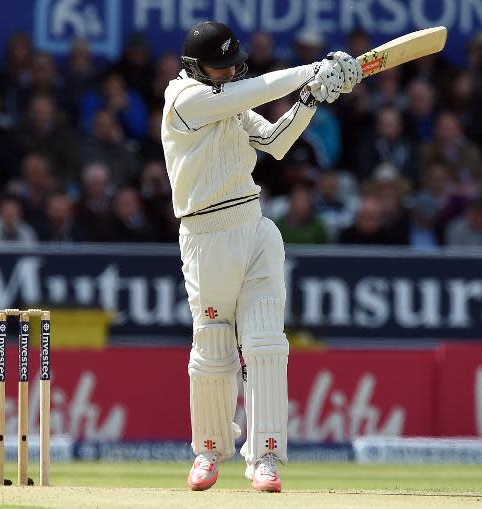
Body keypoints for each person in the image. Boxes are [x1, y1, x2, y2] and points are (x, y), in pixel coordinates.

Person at [162, 21, 360, 492]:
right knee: (213, 347)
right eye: (220, 68)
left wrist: (310, 99)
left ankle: (265, 457)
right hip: (206, 236)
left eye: (234, 67)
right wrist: (314, 70)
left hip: (255, 229)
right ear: (195, 67)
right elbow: (255, 90)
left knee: (267, 344)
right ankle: (209, 451)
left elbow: (275, 143)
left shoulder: (230, 96)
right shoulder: (183, 101)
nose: (230, 75)